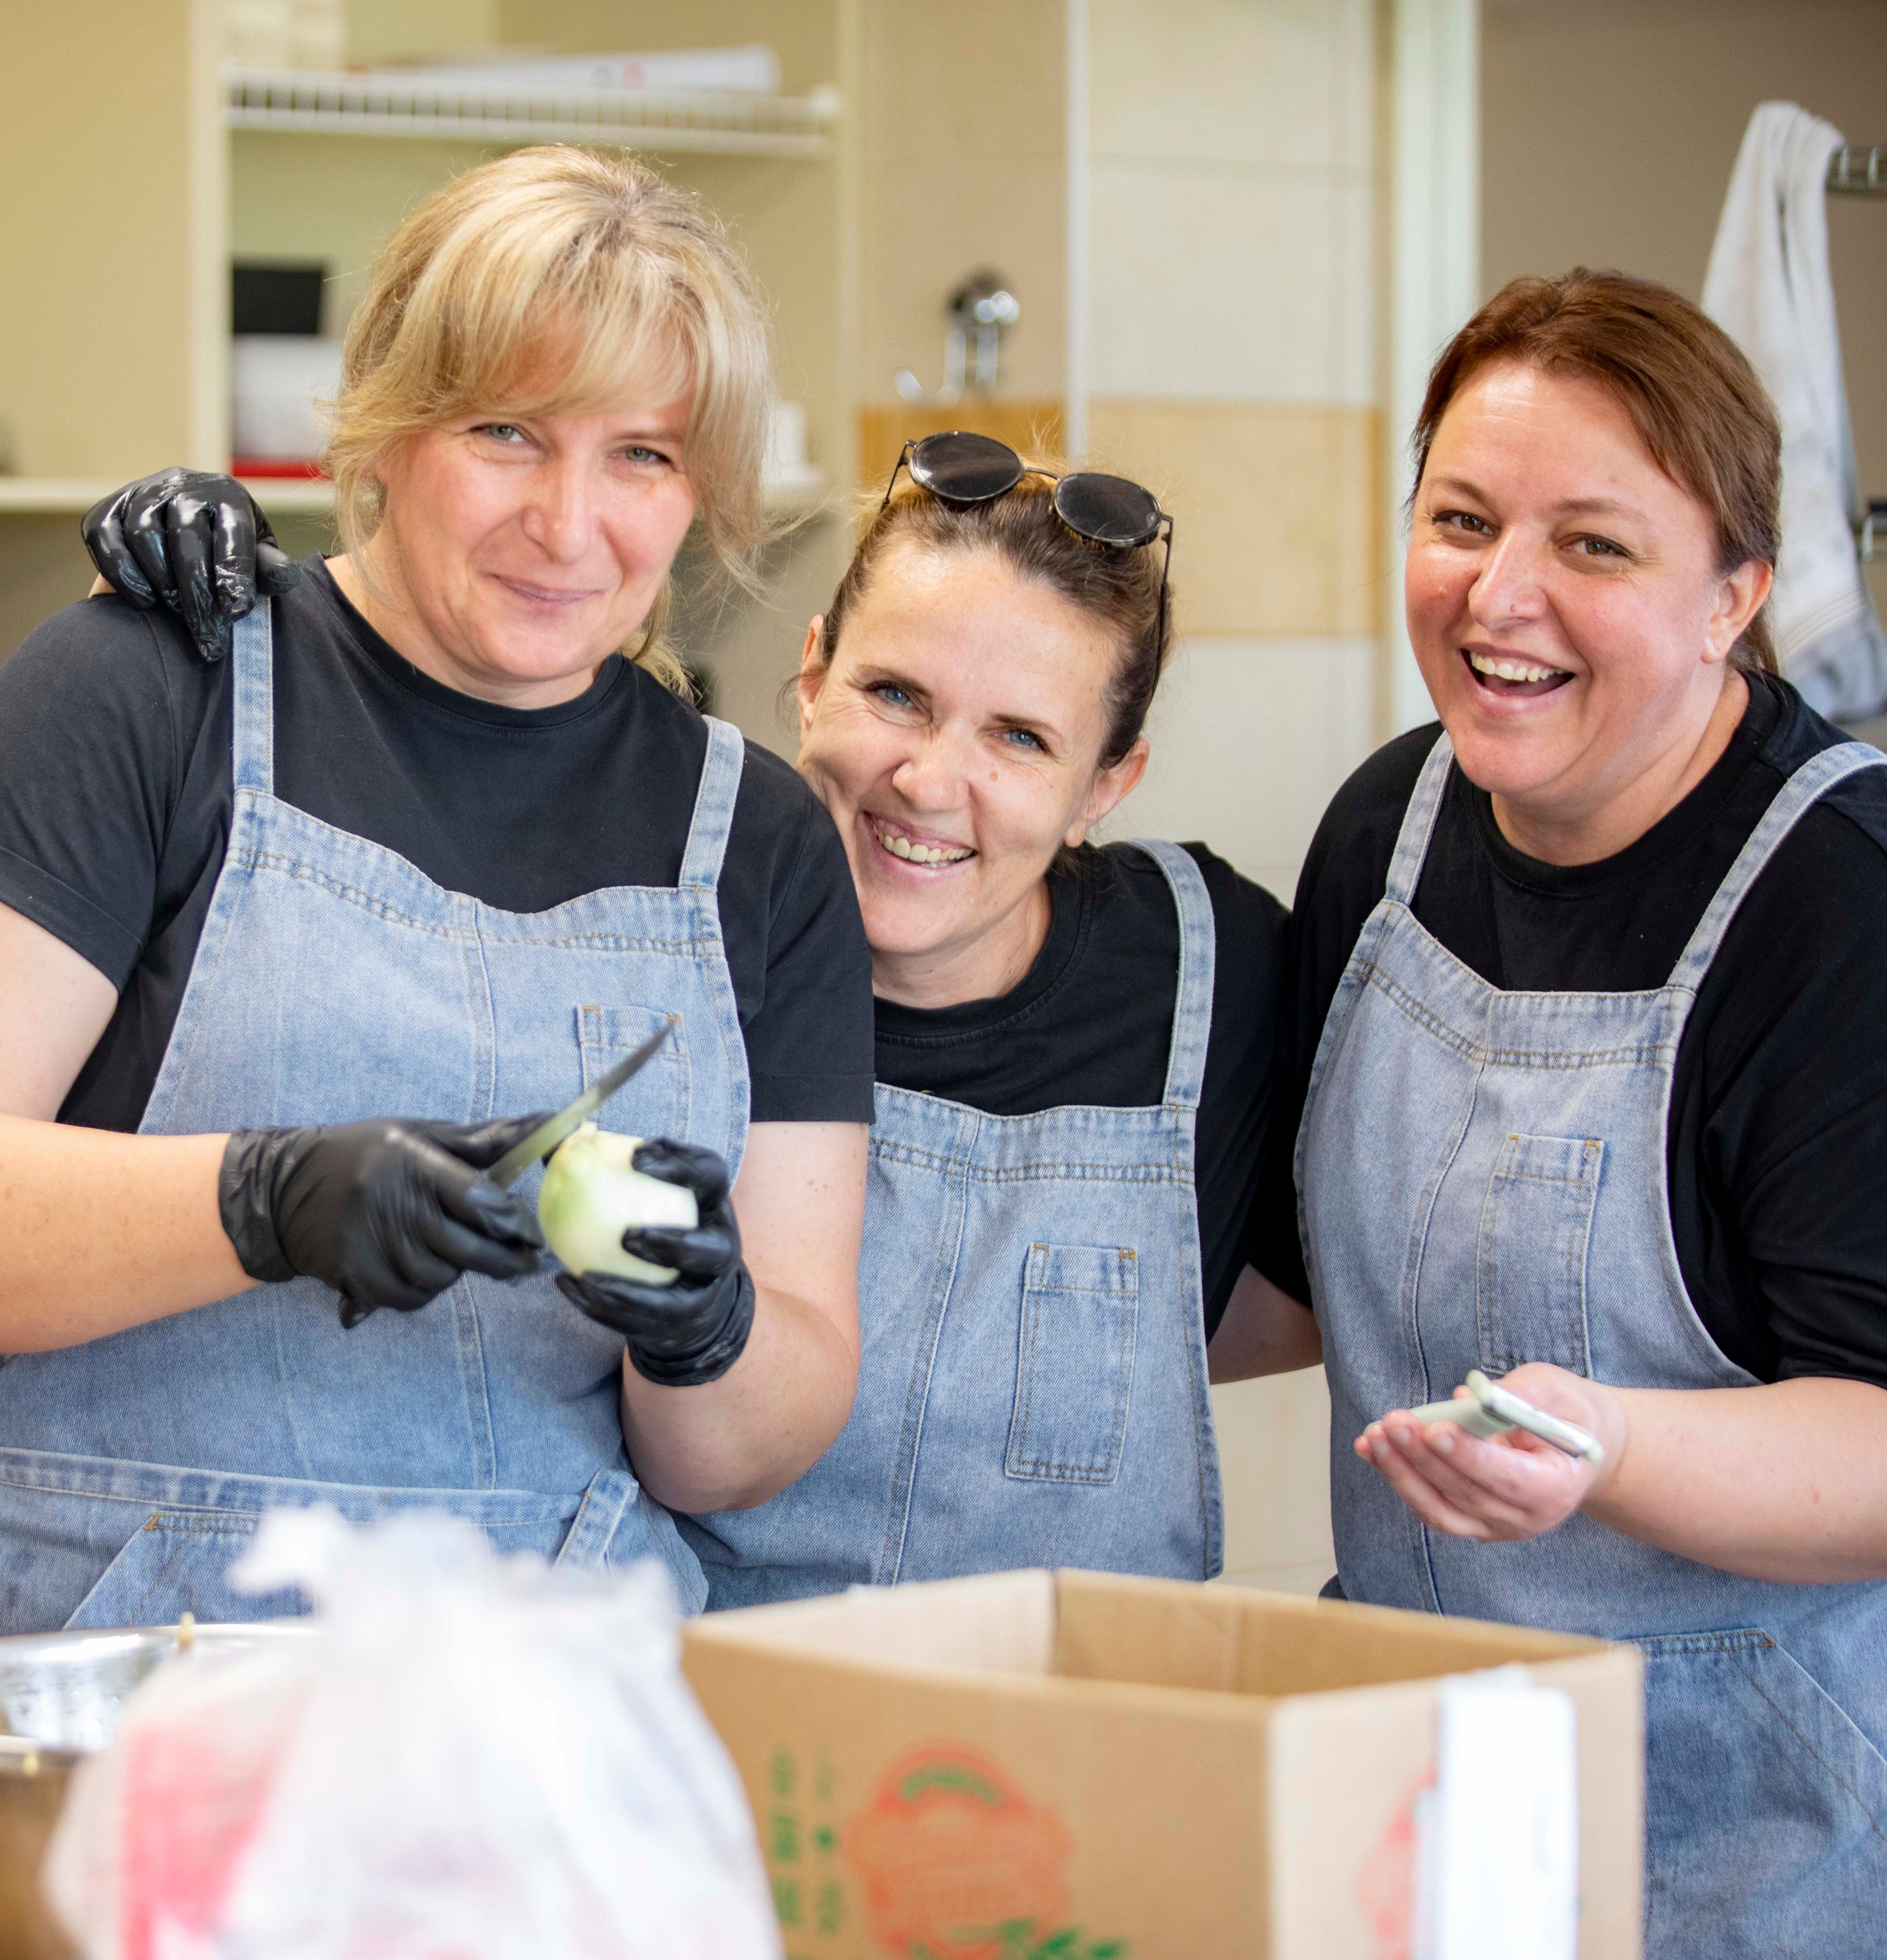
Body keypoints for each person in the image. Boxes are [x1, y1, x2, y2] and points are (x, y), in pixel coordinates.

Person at [85, 431, 1311, 1606]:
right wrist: (265, 623)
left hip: (1096, 1729)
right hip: (723, 1720)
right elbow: (451, 698)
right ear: (813, 670)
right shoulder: (650, 909)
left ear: (1110, 783)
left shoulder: (1212, 967)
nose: (932, 785)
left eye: (1022, 739)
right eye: (894, 693)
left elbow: (1313, 1301)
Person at [0, 146, 872, 1634]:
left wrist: (706, 1329)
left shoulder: (762, 841)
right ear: (392, 426)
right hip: (149, 1688)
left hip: (560, 1705)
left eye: (642, 455)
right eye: (507, 432)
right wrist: (257, 1202)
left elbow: (740, 1457)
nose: (570, 522)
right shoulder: (154, 687)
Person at [1248, 271, 1887, 1955]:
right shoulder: (1385, 829)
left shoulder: (1838, 903)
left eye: (1592, 546)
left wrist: (1600, 1449)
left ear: (1730, 599)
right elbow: (1303, 1282)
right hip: (1410, 1776)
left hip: (1749, 1833)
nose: (1498, 594)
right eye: (1459, 518)